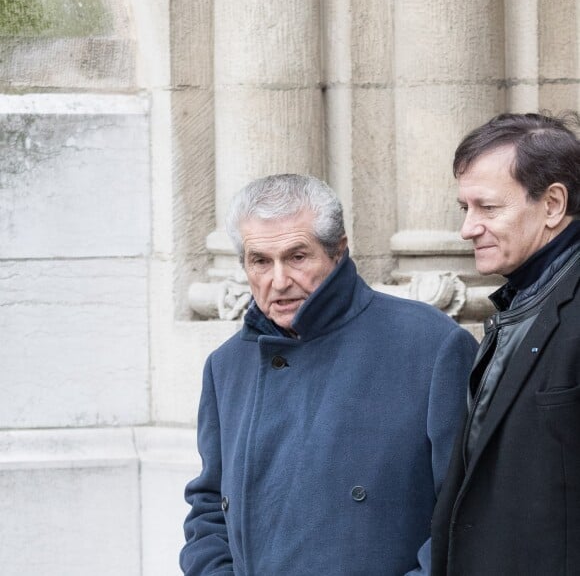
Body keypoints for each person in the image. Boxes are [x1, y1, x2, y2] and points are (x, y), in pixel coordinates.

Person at [179, 173, 478, 575]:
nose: (279, 281)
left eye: (297, 257)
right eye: (261, 261)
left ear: (338, 252)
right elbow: (210, 509)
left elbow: (470, 517)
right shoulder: (226, 365)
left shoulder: (430, 345)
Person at [431, 112, 580, 576]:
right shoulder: (523, 296)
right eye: (465, 209)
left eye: (487, 208)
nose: (467, 228)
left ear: (553, 204)